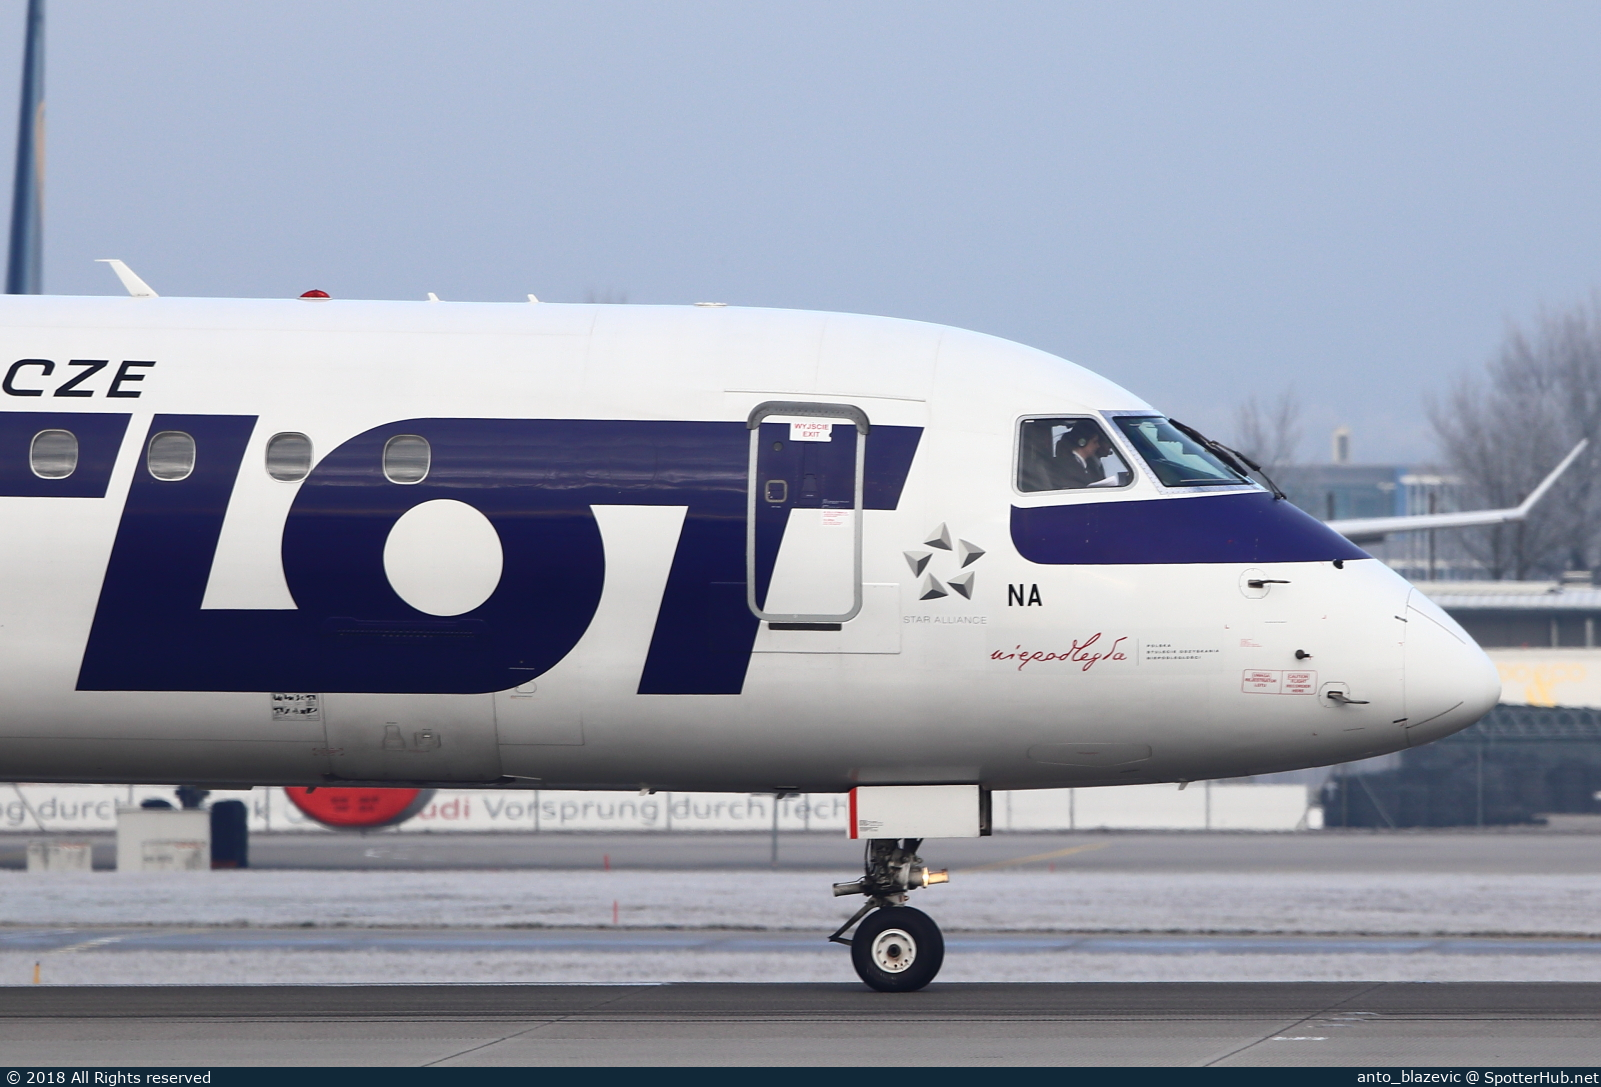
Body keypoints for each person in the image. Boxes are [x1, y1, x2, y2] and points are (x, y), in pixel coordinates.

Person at [1053, 421, 1107, 488]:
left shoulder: (1084, 466)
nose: (1098, 446)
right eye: (1094, 442)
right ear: (1082, 442)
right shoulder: (1069, 466)